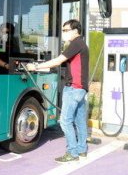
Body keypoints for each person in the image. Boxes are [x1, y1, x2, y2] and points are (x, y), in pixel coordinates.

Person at [27, 19, 89, 163]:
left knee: (65, 121)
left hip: (73, 88)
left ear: (75, 31)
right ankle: (82, 150)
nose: (64, 33)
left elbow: (58, 61)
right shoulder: (81, 44)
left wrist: (36, 67)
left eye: (66, 30)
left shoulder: (76, 43)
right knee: (79, 121)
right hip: (81, 89)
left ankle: (72, 153)